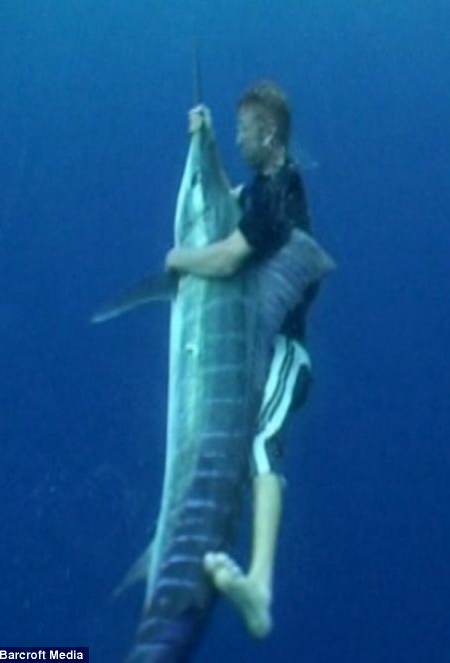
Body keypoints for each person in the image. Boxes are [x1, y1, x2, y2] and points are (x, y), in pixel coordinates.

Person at [165, 82, 316, 638]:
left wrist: (178, 257)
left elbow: (229, 257)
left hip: (285, 354)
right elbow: (225, 198)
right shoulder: (263, 188)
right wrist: (203, 140)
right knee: (241, 448)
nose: (238, 140)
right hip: (262, 350)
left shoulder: (280, 195)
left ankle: (260, 586)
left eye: (242, 132)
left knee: (259, 446)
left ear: (268, 134)